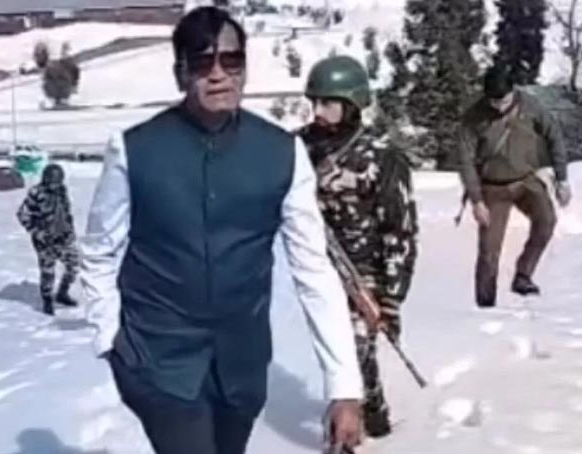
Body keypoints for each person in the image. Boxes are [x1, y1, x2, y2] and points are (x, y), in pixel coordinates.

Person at [81, 7, 363, 454]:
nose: (218, 74)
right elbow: (99, 250)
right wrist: (108, 336)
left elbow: (314, 270)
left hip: (242, 367)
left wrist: (343, 386)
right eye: (201, 62)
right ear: (180, 73)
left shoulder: (283, 153)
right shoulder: (133, 149)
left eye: (231, 61)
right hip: (157, 359)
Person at [295, 55, 419, 438]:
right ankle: (363, 410)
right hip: (313, 264)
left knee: (355, 346)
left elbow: (400, 231)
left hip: (365, 271)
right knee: (340, 348)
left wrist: (391, 298)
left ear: (352, 104)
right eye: (315, 102)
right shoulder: (297, 149)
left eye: (328, 103)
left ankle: (366, 422)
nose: (318, 112)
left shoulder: (381, 156)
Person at [459, 64, 571, 308]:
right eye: (494, 102)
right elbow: (465, 160)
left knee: (546, 221)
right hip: (492, 187)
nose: (500, 107)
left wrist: (562, 178)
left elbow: (554, 136)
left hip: (526, 180)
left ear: (513, 91)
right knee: (489, 249)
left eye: (504, 101)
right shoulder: (473, 117)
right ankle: (485, 304)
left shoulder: (531, 106)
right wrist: (477, 200)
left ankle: (523, 275)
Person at [17, 163, 79, 315]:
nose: (55, 186)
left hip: (63, 236)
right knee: (48, 271)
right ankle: (47, 300)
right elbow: (23, 215)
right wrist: (37, 232)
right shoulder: (36, 193)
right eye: (52, 183)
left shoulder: (62, 191)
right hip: (45, 239)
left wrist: (70, 229)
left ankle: (62, 293)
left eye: (57, 183)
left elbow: (66, 211)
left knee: (74, 265)